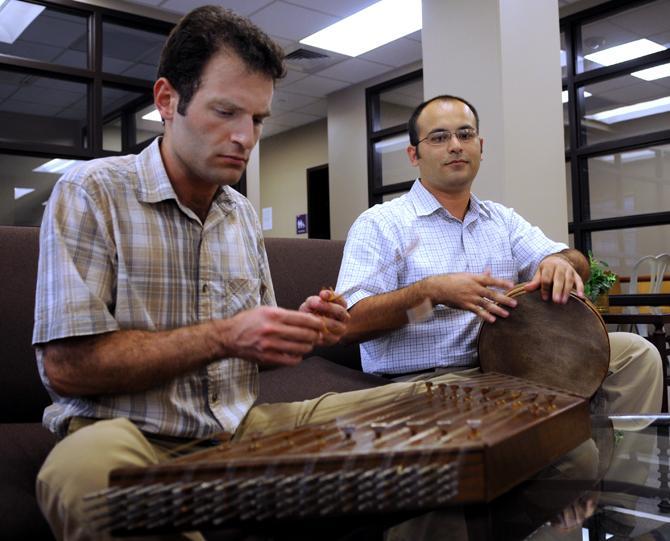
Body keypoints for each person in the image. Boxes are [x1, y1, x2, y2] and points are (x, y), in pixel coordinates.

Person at [33, 7, 423, 541]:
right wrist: (224, 336)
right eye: (226, 112)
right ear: (168, 101)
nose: (245, 137)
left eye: (258, 119)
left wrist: (299, 328)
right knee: (84, 476)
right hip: (127, 432)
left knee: (422, 405)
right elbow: (68, 368)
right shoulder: (90, 192)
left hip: (243, 428)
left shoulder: (238, 214)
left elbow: (253, 352)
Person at [336, 94, 662, 414]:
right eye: (439, 137)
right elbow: (349, 325)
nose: (455, 145)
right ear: (413, 154)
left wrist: (558, 263)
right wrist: (431, 294)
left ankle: (620, 465)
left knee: (637, 355)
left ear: (481, 146)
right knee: (575, 456)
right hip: (425, 381)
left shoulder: (501, 220)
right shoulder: (381, 223)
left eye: (465, 135)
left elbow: (575, 261)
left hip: (513, 365)